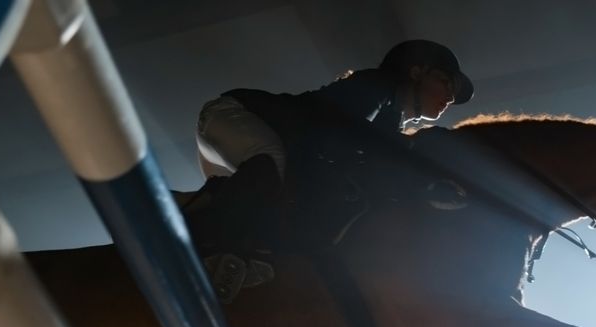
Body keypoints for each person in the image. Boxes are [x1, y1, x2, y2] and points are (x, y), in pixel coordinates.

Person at [183, 39, 474, 284]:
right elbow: (338, 137)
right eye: (445, 81)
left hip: (262, 150)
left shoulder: (389, 119)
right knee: (271, 161)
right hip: (235, 116)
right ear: (415, 71)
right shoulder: (375, 86)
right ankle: (216, 251)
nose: (449, 96)